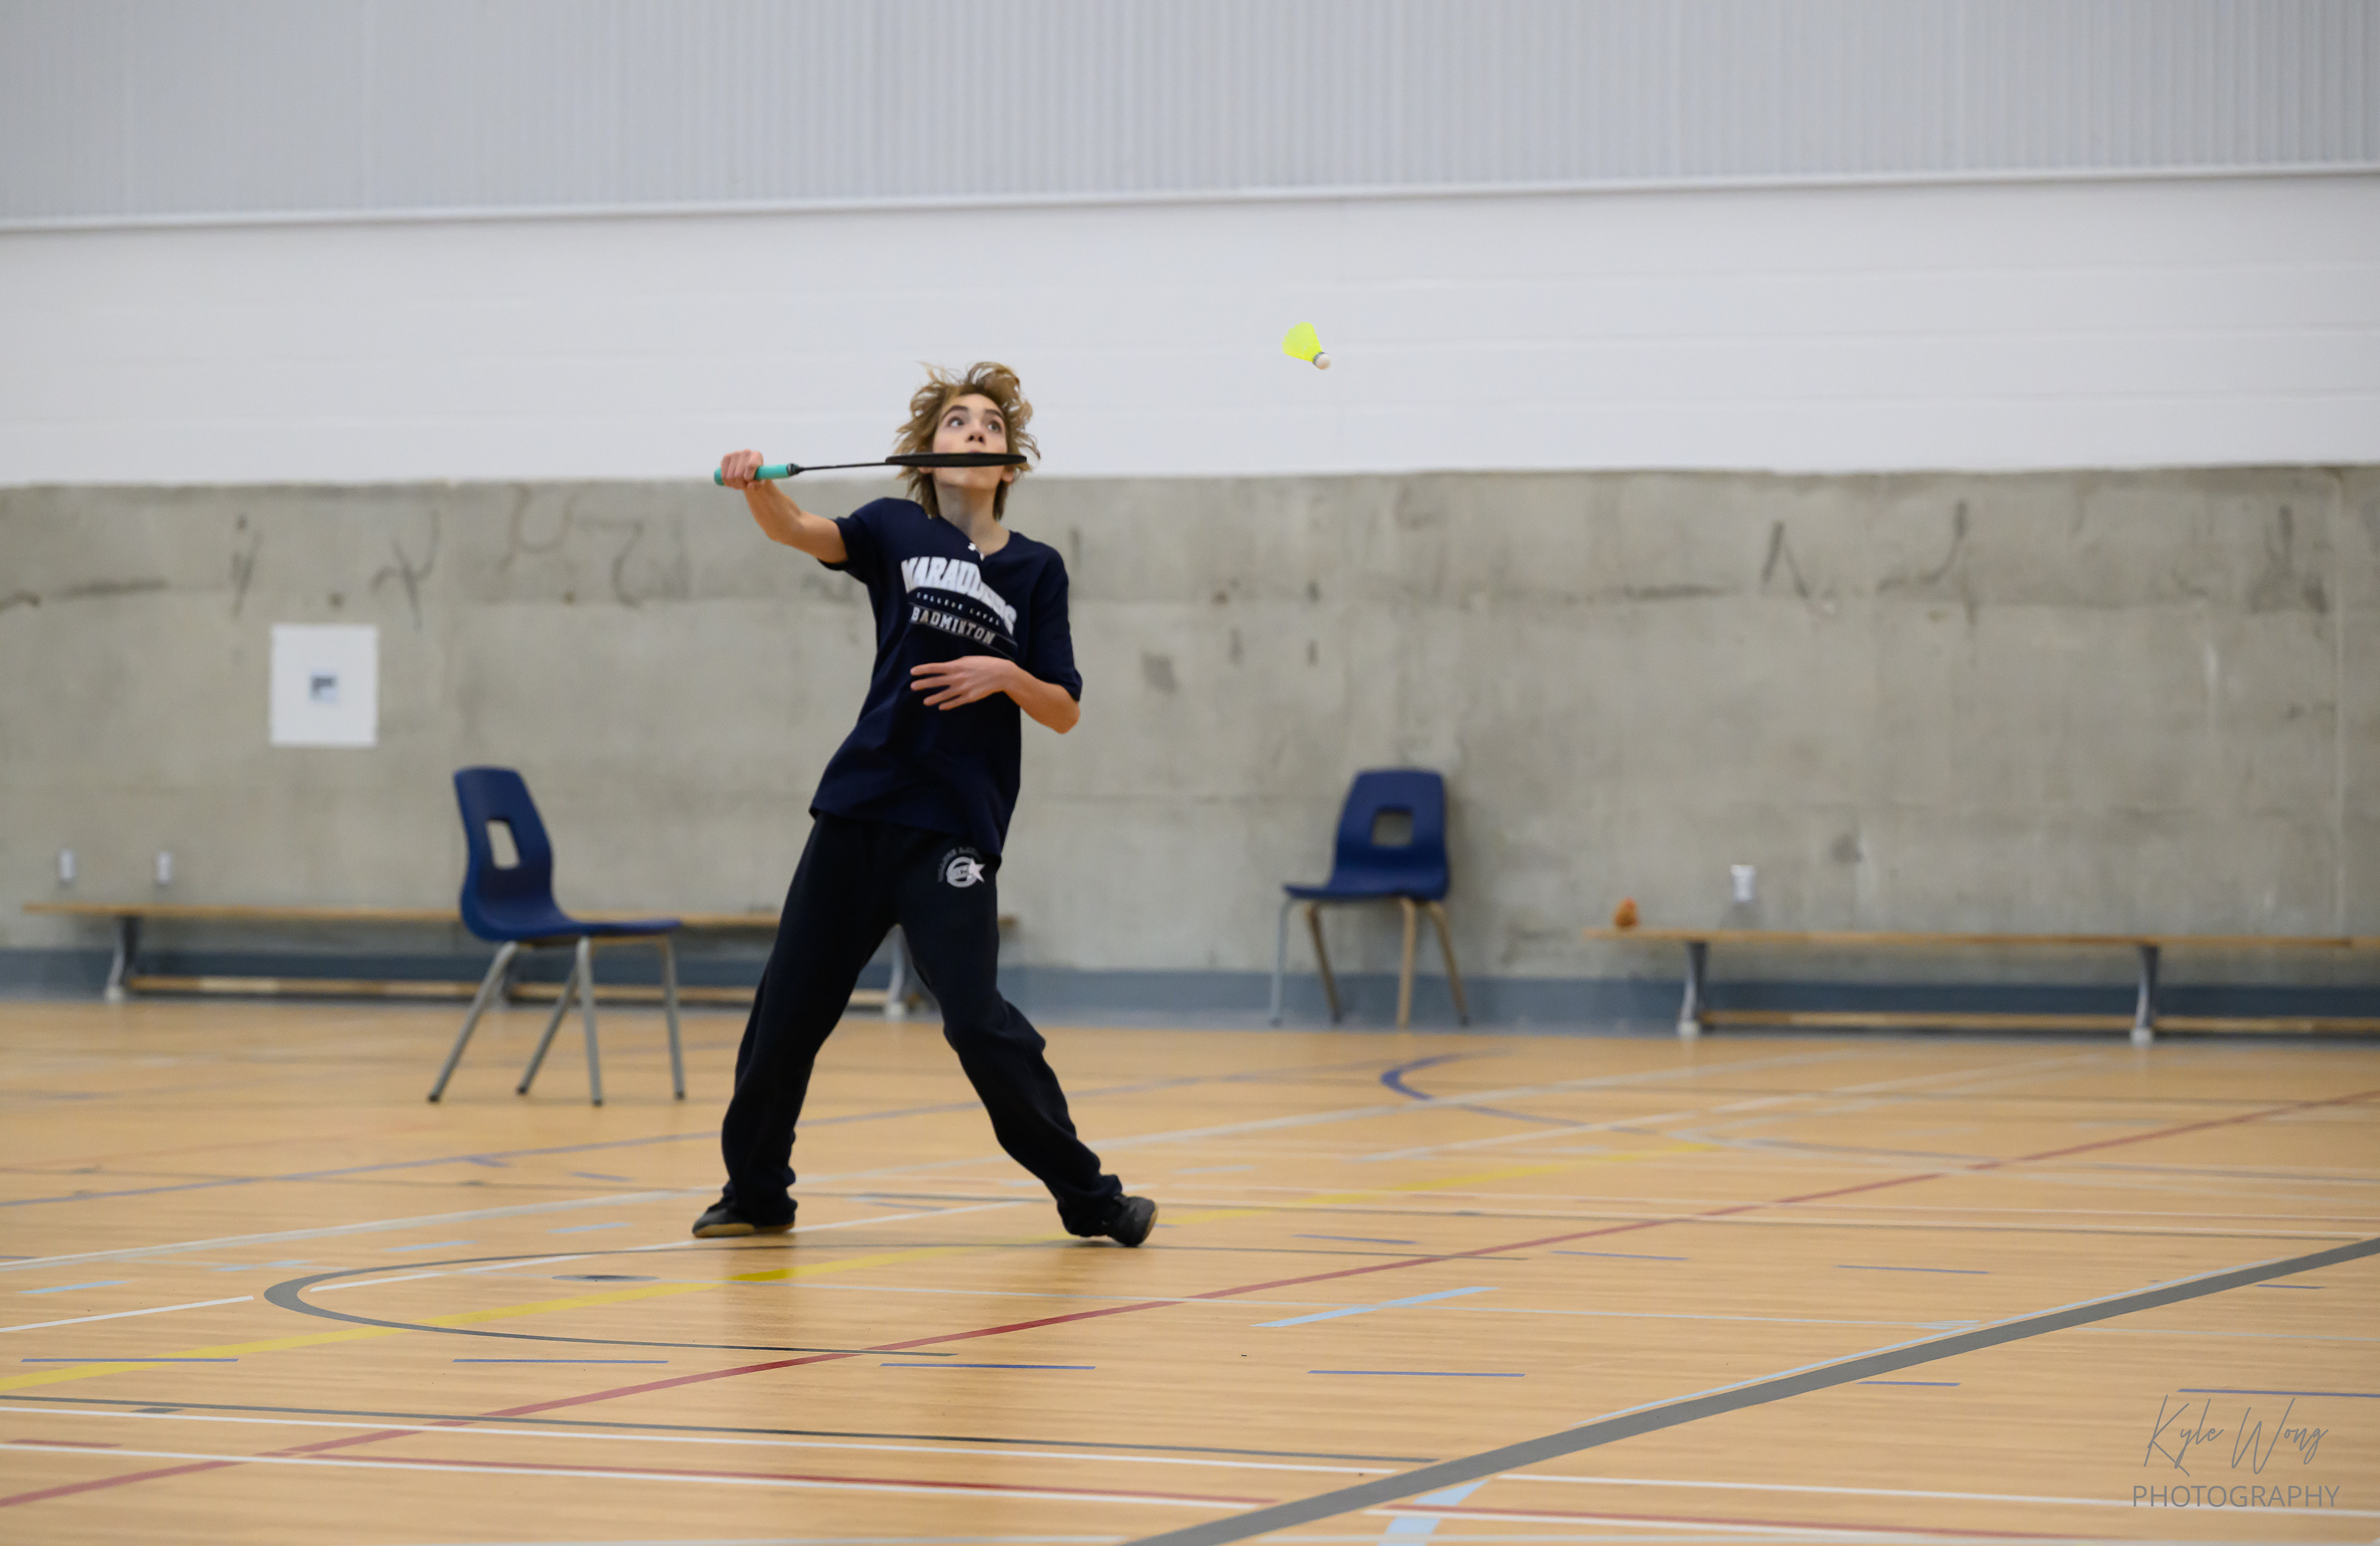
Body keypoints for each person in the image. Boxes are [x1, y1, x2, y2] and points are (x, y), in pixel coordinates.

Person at [698, 362, 1154, 1247]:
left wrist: (1006, 673)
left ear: (1009, 464)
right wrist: (755, 485)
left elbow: (1064, 708)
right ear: (927, 455)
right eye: (957, 422)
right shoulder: (893, 529)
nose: (975, 430)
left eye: (991, 425)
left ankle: (1091, 1197)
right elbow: (796, 528)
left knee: (978, 1022)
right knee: (787, 1012)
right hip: (859, 807)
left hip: (952, 828)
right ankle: (756, 1194)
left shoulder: (1036, 569)